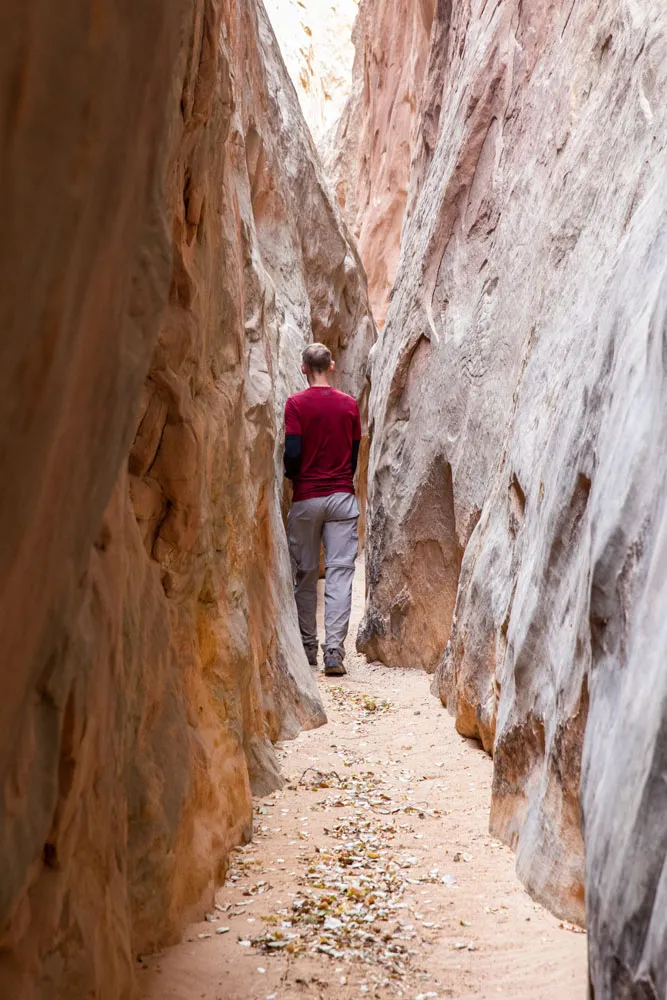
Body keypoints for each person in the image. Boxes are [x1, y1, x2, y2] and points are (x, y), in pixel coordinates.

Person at [284, 343, 361, 677]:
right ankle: (334, 652)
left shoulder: (295, 404)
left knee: (305, 573)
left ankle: (306, 648)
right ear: (331, 366)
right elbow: (355, 453)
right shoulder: (349, 406)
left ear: (303, 368)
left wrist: (295, 477)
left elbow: (292, 452)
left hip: (306, 497)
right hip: (342, 497)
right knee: (340, 572)